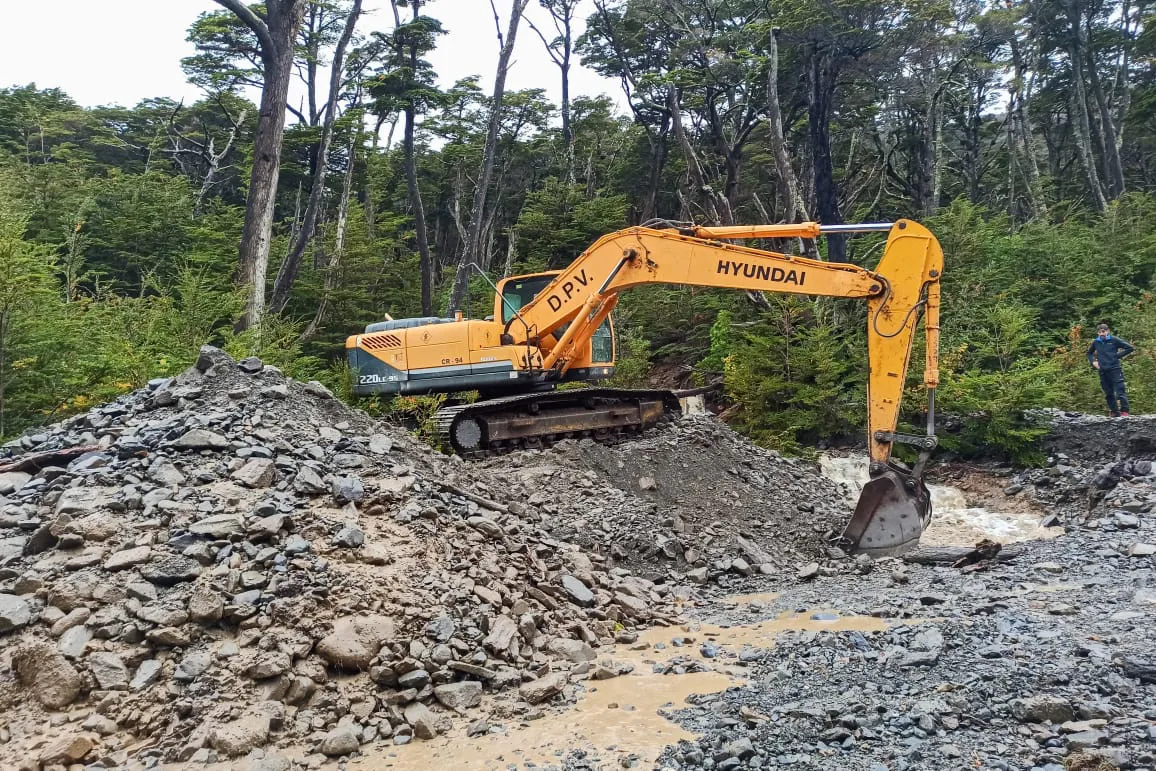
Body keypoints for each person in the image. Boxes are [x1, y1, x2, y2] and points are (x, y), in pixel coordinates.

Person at [1086, 323, 1135, 417]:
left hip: (1115, 369)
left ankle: (1124, 411)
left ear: (1107, 331)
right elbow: (1089, 353)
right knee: (1108, 393)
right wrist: (1094, 362)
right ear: (1097, 333)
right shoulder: (1096, 342)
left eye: (1103, 331)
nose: (1101, 334)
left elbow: (1130, 348)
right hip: (1103, 370)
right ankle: (1114, 411)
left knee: (1120, 390)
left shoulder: (1114, 340)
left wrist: (1117, 356)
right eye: (1099, 332)